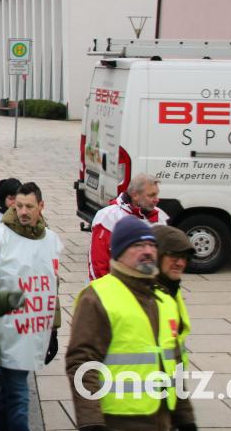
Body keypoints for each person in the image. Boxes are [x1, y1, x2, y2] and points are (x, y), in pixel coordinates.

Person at [66, 217, 194, 431]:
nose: (147, 251)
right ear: (119, 252)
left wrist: (185, 417)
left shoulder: (162, 299)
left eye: (151, 245)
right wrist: (91, 422)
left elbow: (174, 363)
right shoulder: (97, 297)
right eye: (137, 245)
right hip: (118, 421)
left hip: (162, 418)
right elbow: (82, 363)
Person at [0, 182, 62, 431]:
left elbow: (50, 287)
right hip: (6, 332)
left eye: (29, 206)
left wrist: (52, 330)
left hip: (31, 330)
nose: (23, 211)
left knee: (11, 393)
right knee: (20, 395)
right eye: (18, 205)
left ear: (41, 206)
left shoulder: (51, 241)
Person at [88, 173, 169, 280]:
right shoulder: (108, 216)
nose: (157, 199)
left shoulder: (160, 218)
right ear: (135, 195)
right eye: (151, 195)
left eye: (156, 195)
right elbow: (98, 263)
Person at [153, 225, 194, 371]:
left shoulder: (173, 291)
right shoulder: (142, 295)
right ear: (156, 255)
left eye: (184, 257)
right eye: (174, 256)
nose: (180, 263)